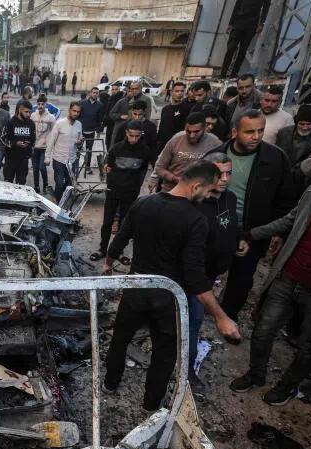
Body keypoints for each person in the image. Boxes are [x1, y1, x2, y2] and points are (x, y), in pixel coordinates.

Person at [102, 160, 240, 412]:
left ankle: (109, 383)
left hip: (136, 289)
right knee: (164, 353)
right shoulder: (196, 220)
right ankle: (150, 405)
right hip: (168, 298)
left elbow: (120, 238)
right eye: (208, 191)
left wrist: (108, 263)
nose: (208, 196)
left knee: (120, 338)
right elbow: (195, 277)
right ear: (196, 186)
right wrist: (221, 317)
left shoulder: (143, 203)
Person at [230, 138, 311, 405]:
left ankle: (287, 386)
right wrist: (251, 234)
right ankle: (256, 374)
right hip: (288, 276)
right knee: (262, 330)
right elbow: (289, 221)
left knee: (308, 348)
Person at [207, 110, 296, 320]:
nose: (256, 137)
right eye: (249, 132)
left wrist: (277, 233)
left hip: (252, 232)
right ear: (234, 132)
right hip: (217, 228)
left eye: (260, 131)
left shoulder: (275, 158)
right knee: (207, 271)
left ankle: (228, 317)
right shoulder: (215, 156)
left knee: (241, 279)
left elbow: (285, 198)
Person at [188, 152, 249, 392]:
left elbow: (232, 223)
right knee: (194, 322)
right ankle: (187, 371)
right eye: (218, 173)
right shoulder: (194, 203)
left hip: (212, 275)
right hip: (194, 278)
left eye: (228, 173)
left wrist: (239, 239)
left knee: (194, 318)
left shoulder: (230, 198)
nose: (224, 179)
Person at [91, 120, 157, 263]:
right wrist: (106, 168)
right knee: (107, 222)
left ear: (141, 135)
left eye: (137, 136)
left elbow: (144, 170)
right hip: (113, 190)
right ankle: (102, 249)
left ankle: (118, 252)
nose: (134, 139)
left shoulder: (145, 151)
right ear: (126, 133)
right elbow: (107, 165)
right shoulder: (116, 148)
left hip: (130, 192)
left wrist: (139, 185)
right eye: (131, 135)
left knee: (124, 224)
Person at [152, 113, 222, 192]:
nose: (192, 135)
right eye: (188, 131)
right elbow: (159, 168)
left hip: (199, 193)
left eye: (196, 132)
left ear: (204, 128)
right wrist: (174, 179)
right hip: (171, 190)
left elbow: (222, 170)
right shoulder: (175, 141)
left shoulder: (215, 144)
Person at [275, 105, 311, 197]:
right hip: (282, 178)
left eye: (309, 124)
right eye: (301, 124)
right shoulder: (284, 132)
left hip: (307, 182)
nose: (305, 127)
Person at [220, 0, 272, 78]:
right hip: (238, 21)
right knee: (231, 48)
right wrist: (231, 23)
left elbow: (266, 8)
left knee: (243, 50)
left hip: (252, 24)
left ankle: (234, 73)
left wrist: (261, 24)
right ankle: (223, 74)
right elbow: (237, 5)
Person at [45, 101, 83, 200]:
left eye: (78, 112)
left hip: (72, 160)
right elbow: (51, 141)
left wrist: (80, 143)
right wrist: (47, 157)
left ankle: (63, 200)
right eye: (74, 111)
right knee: (59, 183)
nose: (76, 113)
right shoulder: (60, 123)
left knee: (69, 184)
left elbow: (80, 141)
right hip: (59, 159)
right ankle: (58, 203)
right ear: (69, 110)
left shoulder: (79, 124)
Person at [1, 100, 36, 185]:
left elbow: (33, 140)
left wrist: (29, 145)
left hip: (23, 160)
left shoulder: (31, 123)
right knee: (8, 183)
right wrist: (15, 144)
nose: (28, 114)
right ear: (20, 110)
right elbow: (3, 138)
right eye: (26, 112)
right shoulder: (10, 122)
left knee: (21, 184)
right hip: (10, 159)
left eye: (30, 112)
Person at [31, 94, 56, 193]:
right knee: (35, 169)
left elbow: (54, 132)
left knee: (42, 168)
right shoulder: (33, 116)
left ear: (46, 105)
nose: (40, 106)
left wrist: (52, 145)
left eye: (42, 104)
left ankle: (45, 185)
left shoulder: (51, 117)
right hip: (34, 147)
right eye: (39, 104)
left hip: (44, 147)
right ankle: (36, 187)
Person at [157, 81, 189, 153]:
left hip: (177, 146)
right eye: (177, 91)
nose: (180, 93)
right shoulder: (165, 109)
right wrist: (158, 141)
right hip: (162, 146)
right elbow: (161, 126)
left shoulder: (186, 109)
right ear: (171, 92)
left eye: (182, 91)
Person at [79, 87, 105, 173]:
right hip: (81, 131)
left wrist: (98, 131)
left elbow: (100, 119)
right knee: (78, 149)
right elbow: (78, 116)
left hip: (91, 131)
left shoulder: (100, 105)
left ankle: (87, 166)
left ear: (98, 94)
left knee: (89, 149)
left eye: (97, 93)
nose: (95, 94)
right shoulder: (82, 103)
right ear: (90, 93)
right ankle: (75, 166)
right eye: (93, 92)